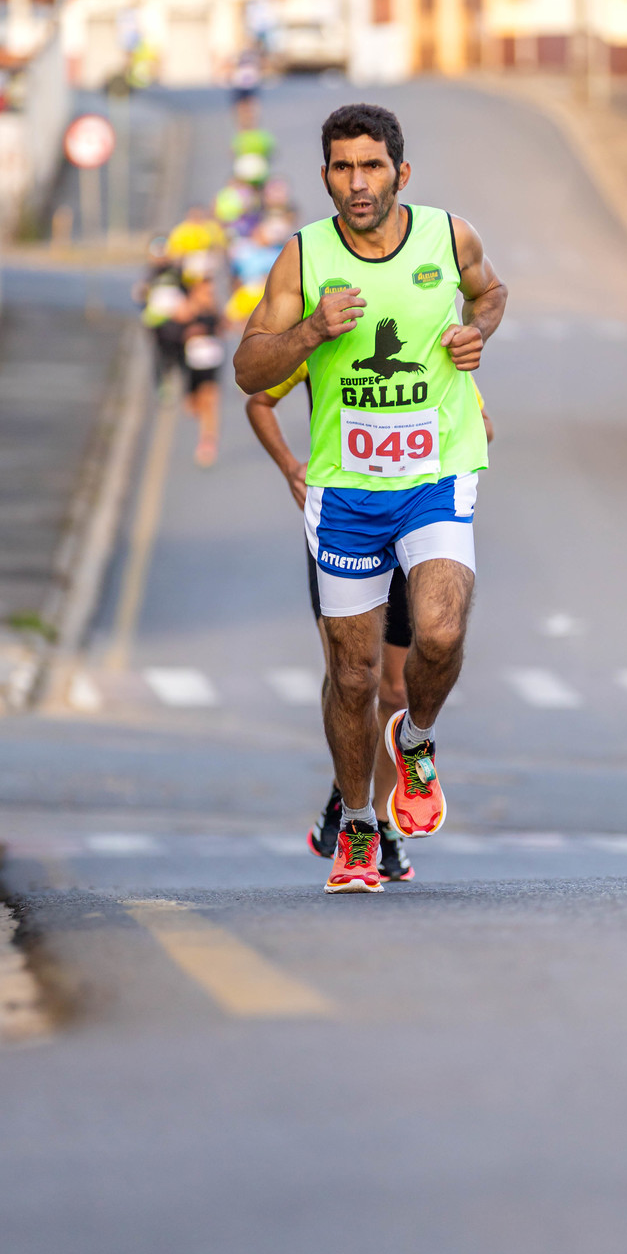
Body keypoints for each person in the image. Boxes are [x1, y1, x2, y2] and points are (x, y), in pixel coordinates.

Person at [234, 101, 507, 894]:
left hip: (435, 477)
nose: (358, 183)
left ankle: (414, 740)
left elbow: (491, 293)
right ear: (325, 177)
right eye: (343, 168)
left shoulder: (450, 238)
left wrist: (478, 332)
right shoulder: (303, 259)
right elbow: (250, 374)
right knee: (352, 679)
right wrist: (310, 332)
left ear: (401, 172)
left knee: (440, 632)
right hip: (347, 493)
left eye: (372, 166)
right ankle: (358, 824)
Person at [245, 363, 496, 883]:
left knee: (396, 689)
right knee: (350, 676)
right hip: (344, 513)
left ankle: (380, 819)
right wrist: (291, 467)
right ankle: (352, 798)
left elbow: (483, 424)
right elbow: (258, 399)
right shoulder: (320, 338)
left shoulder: (428, 339)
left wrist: (436, 436)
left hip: (415, 515)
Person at [181, 278, 224, 467]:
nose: (209, 296)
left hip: (211, 362)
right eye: (205, 292)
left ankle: (208, 442)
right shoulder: (187, 309)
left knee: (210, 402)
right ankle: (206, 437)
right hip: (193, 364)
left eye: (211, 292)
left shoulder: (214, 311)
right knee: (193, 407)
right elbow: (176, 331)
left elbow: (223, 328)